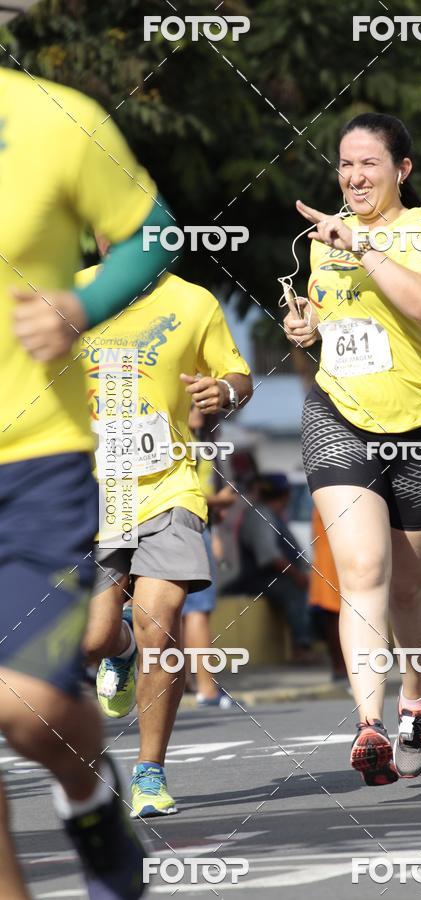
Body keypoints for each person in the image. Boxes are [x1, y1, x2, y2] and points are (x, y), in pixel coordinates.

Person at [0, 66, 175, 899]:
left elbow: (154, 232)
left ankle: (90, 792)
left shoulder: (55, 116)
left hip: (38, 456)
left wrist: (82, 300)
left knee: (25, 701)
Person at [283, 112, 421, 785]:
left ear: (402, 171)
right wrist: (306, 325)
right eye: (344, 164)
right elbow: (333, 317)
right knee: (362, 569)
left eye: (369, 164)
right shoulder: (322, 241)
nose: (354, 177)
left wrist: (360, 245)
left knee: (411, 585)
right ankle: (370, 723)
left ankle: (416, 698)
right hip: (342, 417)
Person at [81, 245, 252, 818]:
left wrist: (224, 391)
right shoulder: (68, 293)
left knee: (162, 625)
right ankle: (118, 650)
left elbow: (238, 374)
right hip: (95, 489)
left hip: (169, 485)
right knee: (96, 636)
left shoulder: (192, 301)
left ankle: (149, 774)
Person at [182, 405, 238, 710]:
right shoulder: (181, 441)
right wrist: (221, 499)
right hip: (189, 527)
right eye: (193, 406)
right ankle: (207, 688)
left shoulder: (198, 440)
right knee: (198, 611)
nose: (200, 413)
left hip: (196, 527)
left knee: (175, 612)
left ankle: (185, 685)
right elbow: (179, 492)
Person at [225, 474, 314, 663]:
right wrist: (298, 575)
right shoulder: (261, 515)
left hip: (272, 575)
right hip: (260, 577)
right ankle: (302, 648)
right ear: (287, 495)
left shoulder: (275, 514)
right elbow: (270, 556)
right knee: (293, 590)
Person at [309, 507, 347, 682]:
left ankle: (342, 666)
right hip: (331, 565)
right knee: (334, 617)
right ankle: (340, 666)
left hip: (333, 563)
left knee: (337, 616)